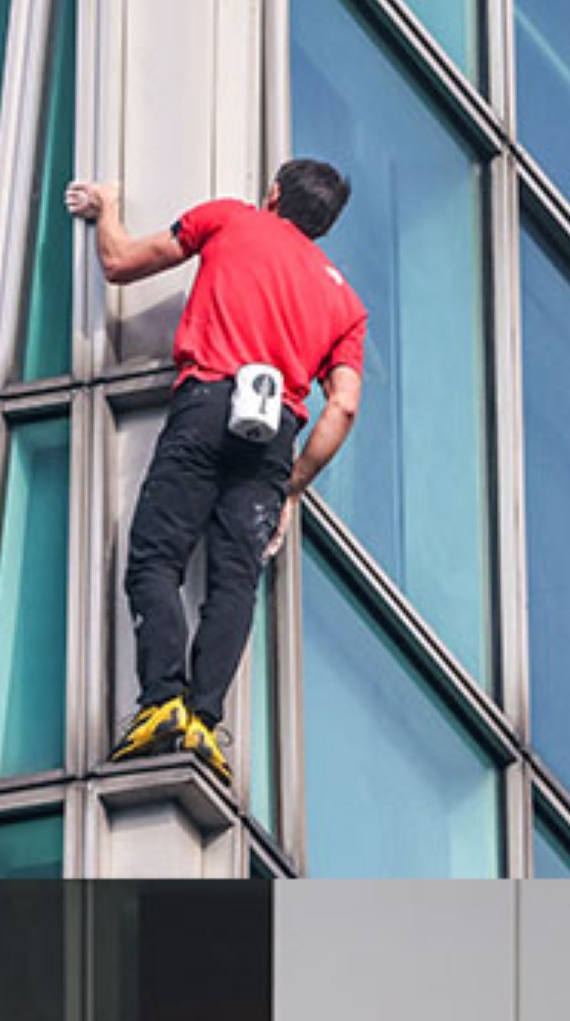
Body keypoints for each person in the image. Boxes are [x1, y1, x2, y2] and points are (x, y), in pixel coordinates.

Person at [66, 158, 367, 781]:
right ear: (326, 225)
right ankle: (204, 723)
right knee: (234, 583)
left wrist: (107, 205)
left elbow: (119, 262)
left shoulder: (229, 218)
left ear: (274, 193)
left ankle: (162, 704)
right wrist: (292, 486)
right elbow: (342, 406)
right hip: (274, 436)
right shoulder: (346, 304)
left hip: (207, 403)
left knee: (156, 558)